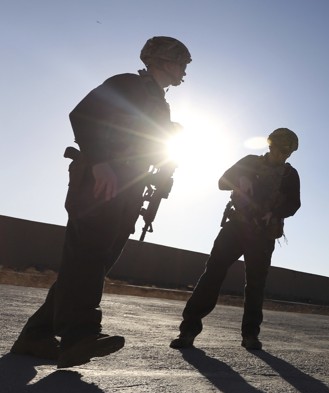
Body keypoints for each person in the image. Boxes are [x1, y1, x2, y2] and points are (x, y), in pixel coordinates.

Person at [9, 36, 191, 369]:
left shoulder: (158, 103)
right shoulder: (127, 84)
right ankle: (81, 335)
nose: (185, 70)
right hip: (101, 182)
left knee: (90, 264)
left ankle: (35, 336)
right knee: (89, 257)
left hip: (127, 189)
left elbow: (152, 147)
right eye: (182, 62)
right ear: (164, 61)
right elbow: (84, 114)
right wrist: (100, 162)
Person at [169, 128, 301, 351]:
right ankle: (188, 330)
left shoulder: (290, 175)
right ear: (271, 146)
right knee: (213, 273)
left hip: (262, 233)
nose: (284, 156)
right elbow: (222, 182)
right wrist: (240, 178)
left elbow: (294, 204)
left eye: (288, 153)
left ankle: (250, 335)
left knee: (256, 285)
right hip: (237, 226)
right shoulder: (250, 161)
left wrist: (275, 214)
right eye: (281, 151)